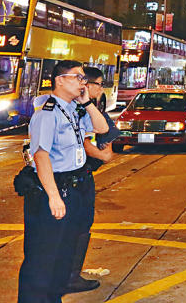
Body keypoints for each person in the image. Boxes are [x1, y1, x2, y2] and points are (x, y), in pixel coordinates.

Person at [18, 60, 108, 303]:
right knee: (42, 258)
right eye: (78, 77)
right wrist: (53, 196)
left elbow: (102, 127)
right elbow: (41, 155)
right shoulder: (47, 113)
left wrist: (87, 102)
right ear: (60, 80)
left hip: (74, 188)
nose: (83, 82)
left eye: (84, 78)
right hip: (53, 188)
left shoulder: (72, 108)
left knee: (62, 256)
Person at [63, 66, 122, 293]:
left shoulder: (87, 107)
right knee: (78, 226)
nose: (101, 89)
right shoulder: (79, 108)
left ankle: (68, 274)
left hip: (80, 174)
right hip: (77, 176)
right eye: (99, 84)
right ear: (87, 85)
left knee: (78, 226)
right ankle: (69, 276)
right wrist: (103, 155)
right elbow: (84, 141)